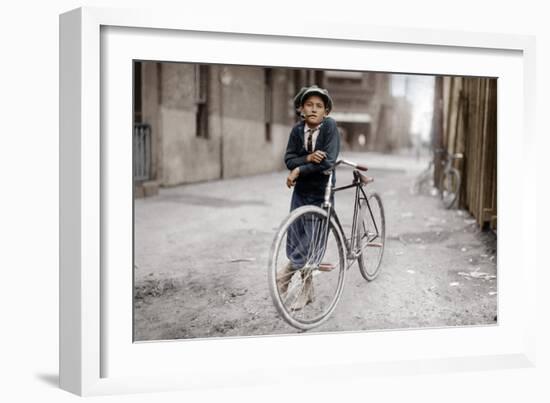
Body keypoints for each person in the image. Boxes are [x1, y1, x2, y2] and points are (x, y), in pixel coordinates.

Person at [277, 85, 340, 310]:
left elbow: (328, 162)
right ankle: (307, 289)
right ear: (301, 109)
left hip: (320, 191)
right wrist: (308, 158)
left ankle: (287, 272)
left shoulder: (330, 127)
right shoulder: (297, 131)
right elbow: (289, 159)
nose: (313, 109)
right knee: (296, 234)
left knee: (312, 241)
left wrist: (299, 170)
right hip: (301, 191)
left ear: (326, 112)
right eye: (309, 105)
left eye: (319, 106)